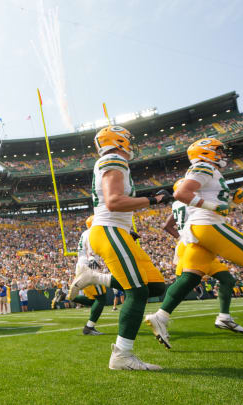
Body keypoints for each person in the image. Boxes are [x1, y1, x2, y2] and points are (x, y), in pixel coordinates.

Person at [147, 138, 243, 346]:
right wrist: (215, 207)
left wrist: (231, 203)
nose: (222, 154)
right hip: (207, 225)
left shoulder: (207, 170)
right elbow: (182, 193)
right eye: (218, 150)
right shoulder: (203, 166)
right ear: (205, 152)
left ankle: (160, 317)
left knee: (190, 278)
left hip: (198, 229)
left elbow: (213, 204)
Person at [68, 126, 171, 370]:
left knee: (155, 284)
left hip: (118, 230)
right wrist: (153, 200)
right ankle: (122, 356)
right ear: (118, 141)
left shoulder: (112, 161)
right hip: (109, 229)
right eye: (128, 140)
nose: (130, 144)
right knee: (137, 292)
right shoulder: (113, 159)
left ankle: (96, 277)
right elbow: (113, 202)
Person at [68, 216, 108, 335]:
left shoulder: (86, 233)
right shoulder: (92, 233)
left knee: (93, 300)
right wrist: (91, 258)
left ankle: (67, 296)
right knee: (101, 298)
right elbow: (89, 248)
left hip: (82, 265)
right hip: (89, 267)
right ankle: (89, 327)